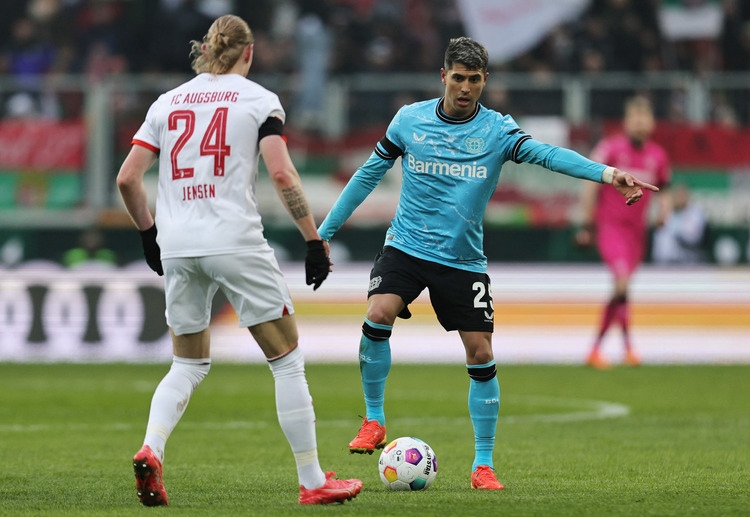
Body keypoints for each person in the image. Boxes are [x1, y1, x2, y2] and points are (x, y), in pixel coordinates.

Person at [316, 37, 658, 491]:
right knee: (378, 312)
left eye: (474, 80)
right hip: (406, 246)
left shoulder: (497, 131)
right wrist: (322, 235)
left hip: (462, 260)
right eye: (457, 78)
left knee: (480, 353)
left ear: (485, 82)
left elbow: (550, 156)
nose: (465, 88)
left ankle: (482, 465)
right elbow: (366, 176)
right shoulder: (409, 121)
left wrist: (608, 173)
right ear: (443, 77)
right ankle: (375, 419)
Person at [116, 14, 361, 507]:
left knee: (186, 364)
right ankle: (313, 481)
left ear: (207, 50)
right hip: (235, 241)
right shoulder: (259, 100)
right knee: (287, 361)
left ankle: (151, 448)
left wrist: (149, 234)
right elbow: (284, 175)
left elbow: (127, 178)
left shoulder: (167, 103)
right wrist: (314, 240)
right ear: (249, 53)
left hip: (179, 245)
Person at [575, 95, 671, 369]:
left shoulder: (658, 155)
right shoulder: (610, 149)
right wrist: (586, 223)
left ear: (652, 123)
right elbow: (590, 184)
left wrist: (664, 212)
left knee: (624, 289)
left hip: (636, 234)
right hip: (611, 228)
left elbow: (665, 188)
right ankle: (602, 348)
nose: (641, 124)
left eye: (645, 118)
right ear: (627, 122)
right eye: (636, 118)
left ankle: (623, 348)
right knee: (621, 284)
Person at [652, 183, 708, 265]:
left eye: (682, 195)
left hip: (687, 261)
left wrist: (672, 226)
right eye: (677, 195)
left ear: (687, 196)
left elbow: (692, 238)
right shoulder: (669, 212)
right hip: (663, 262)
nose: (678, 198)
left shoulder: (695, 213)